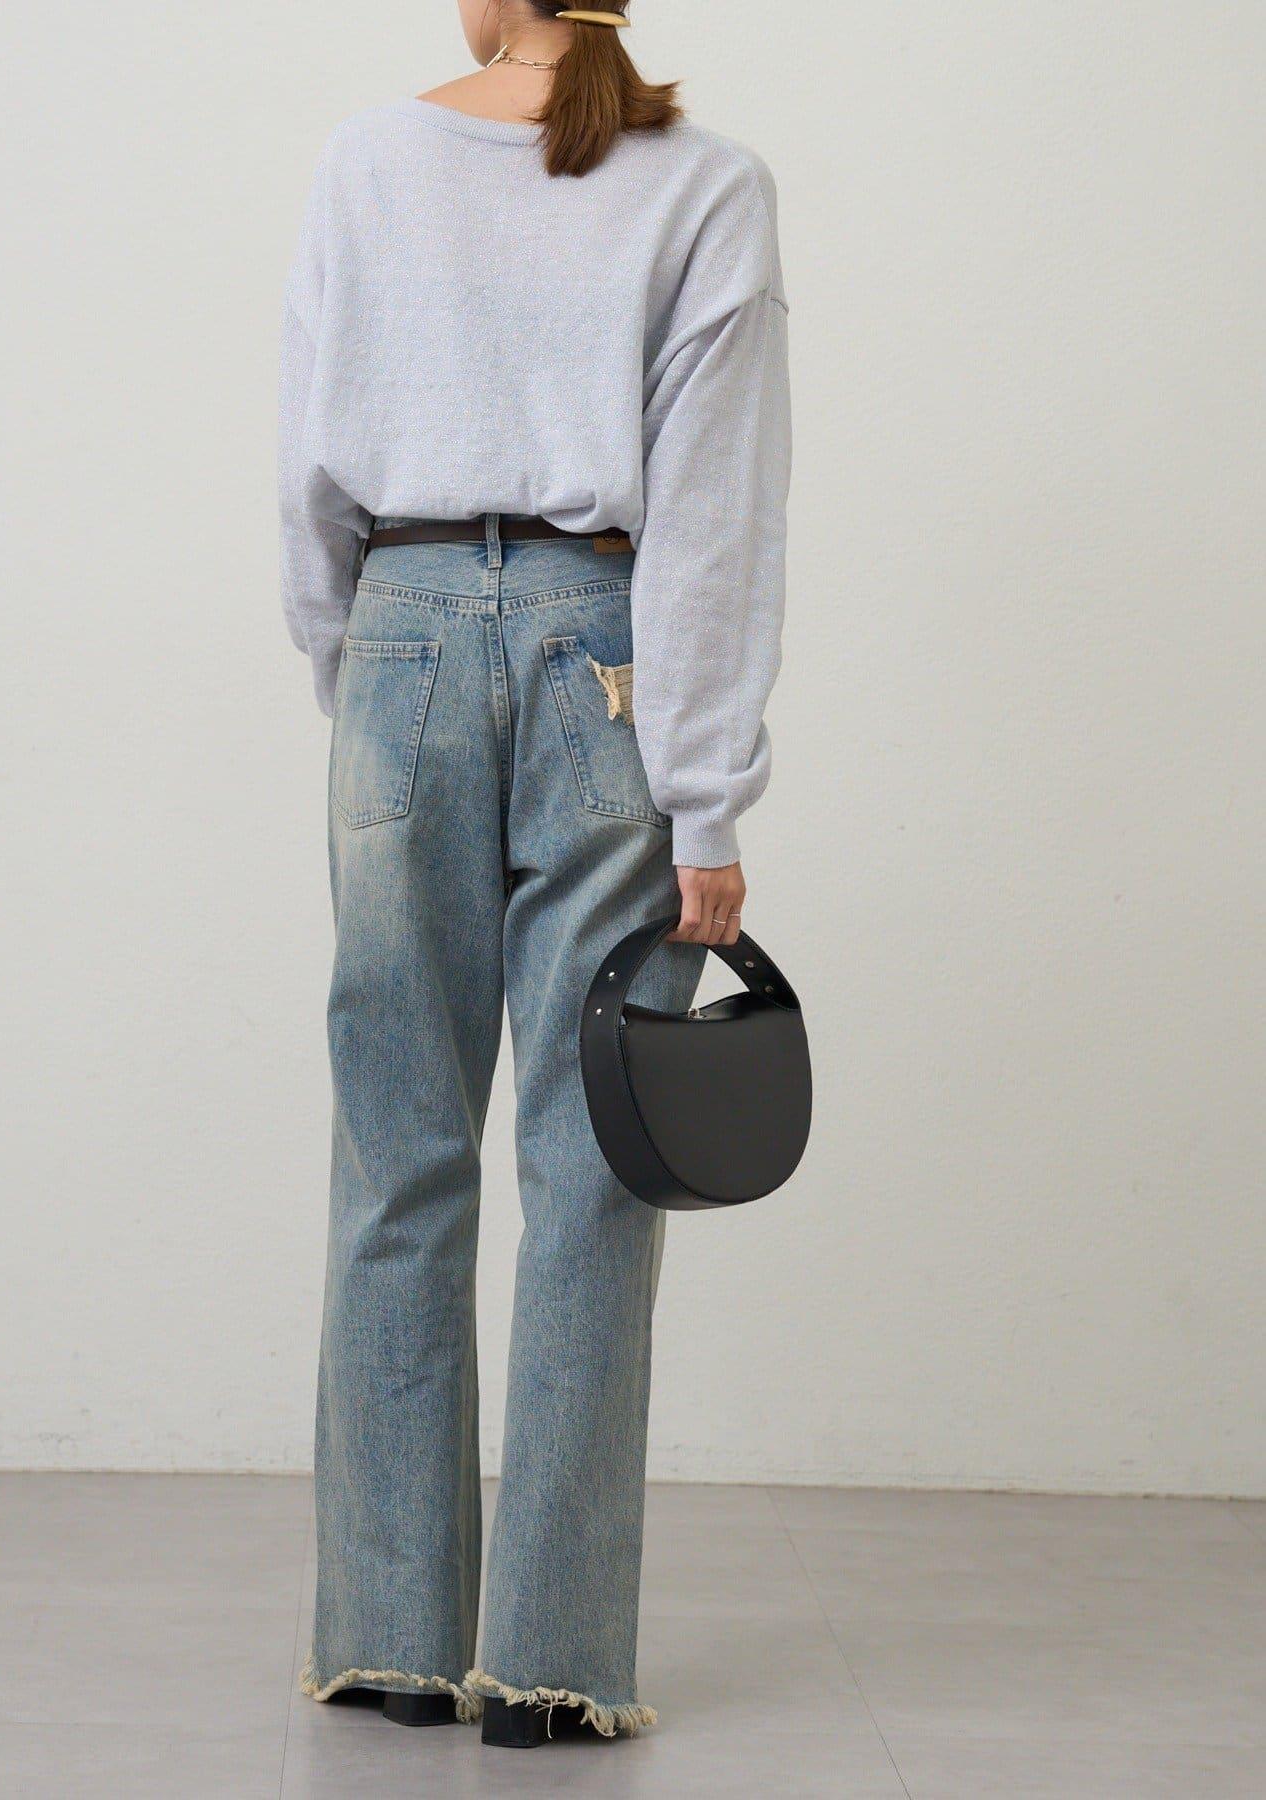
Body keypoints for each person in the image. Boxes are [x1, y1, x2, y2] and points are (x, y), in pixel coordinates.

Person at [279, 0, 790, 1749]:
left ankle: (389, 1639)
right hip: (607, 648)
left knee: (395, 1143)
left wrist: (361, 670)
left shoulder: (368, 159)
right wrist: (705, 795)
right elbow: (716, 507)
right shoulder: (707, 181)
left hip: (400, 631)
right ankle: (551, 1667)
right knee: (590, 1166)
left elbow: (309, 461)